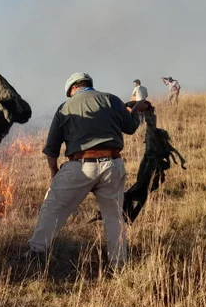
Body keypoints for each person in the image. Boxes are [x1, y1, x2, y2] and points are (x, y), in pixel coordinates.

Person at [26, 72, 148, 271]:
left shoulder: (65, 107)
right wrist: (136, 111)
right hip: (113, 164)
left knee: (53, 207)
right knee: (114, 216)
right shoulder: (113, 100)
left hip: (80, 166)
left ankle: (37, 253)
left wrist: (54, 172)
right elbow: (131, 127)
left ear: (73, 88)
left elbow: (51, 149)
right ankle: (118, 263)